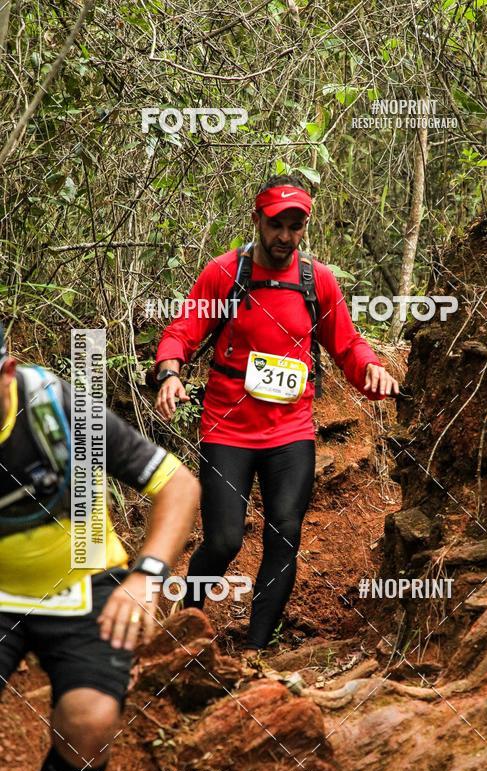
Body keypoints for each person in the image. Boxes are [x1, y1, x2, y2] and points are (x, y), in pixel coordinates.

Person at [153, 173, 400, 659]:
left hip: (290, 431)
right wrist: (169, 372)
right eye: (276, 224)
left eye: (296, 226)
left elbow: (346, 343)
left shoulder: (317, 280)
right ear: (256, 220)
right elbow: (183, 329)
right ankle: (183, 633)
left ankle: (255, 651)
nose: (285, 236)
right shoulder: (224, 274)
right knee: (223, 540)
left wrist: (371, 370)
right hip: (228, 426)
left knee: (284, 531)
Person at [0, 323, 199, 771]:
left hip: (84, 587)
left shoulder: (57, 409)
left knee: (89, 722)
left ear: (8, 375)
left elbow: (177, 485)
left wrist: (148, 575)